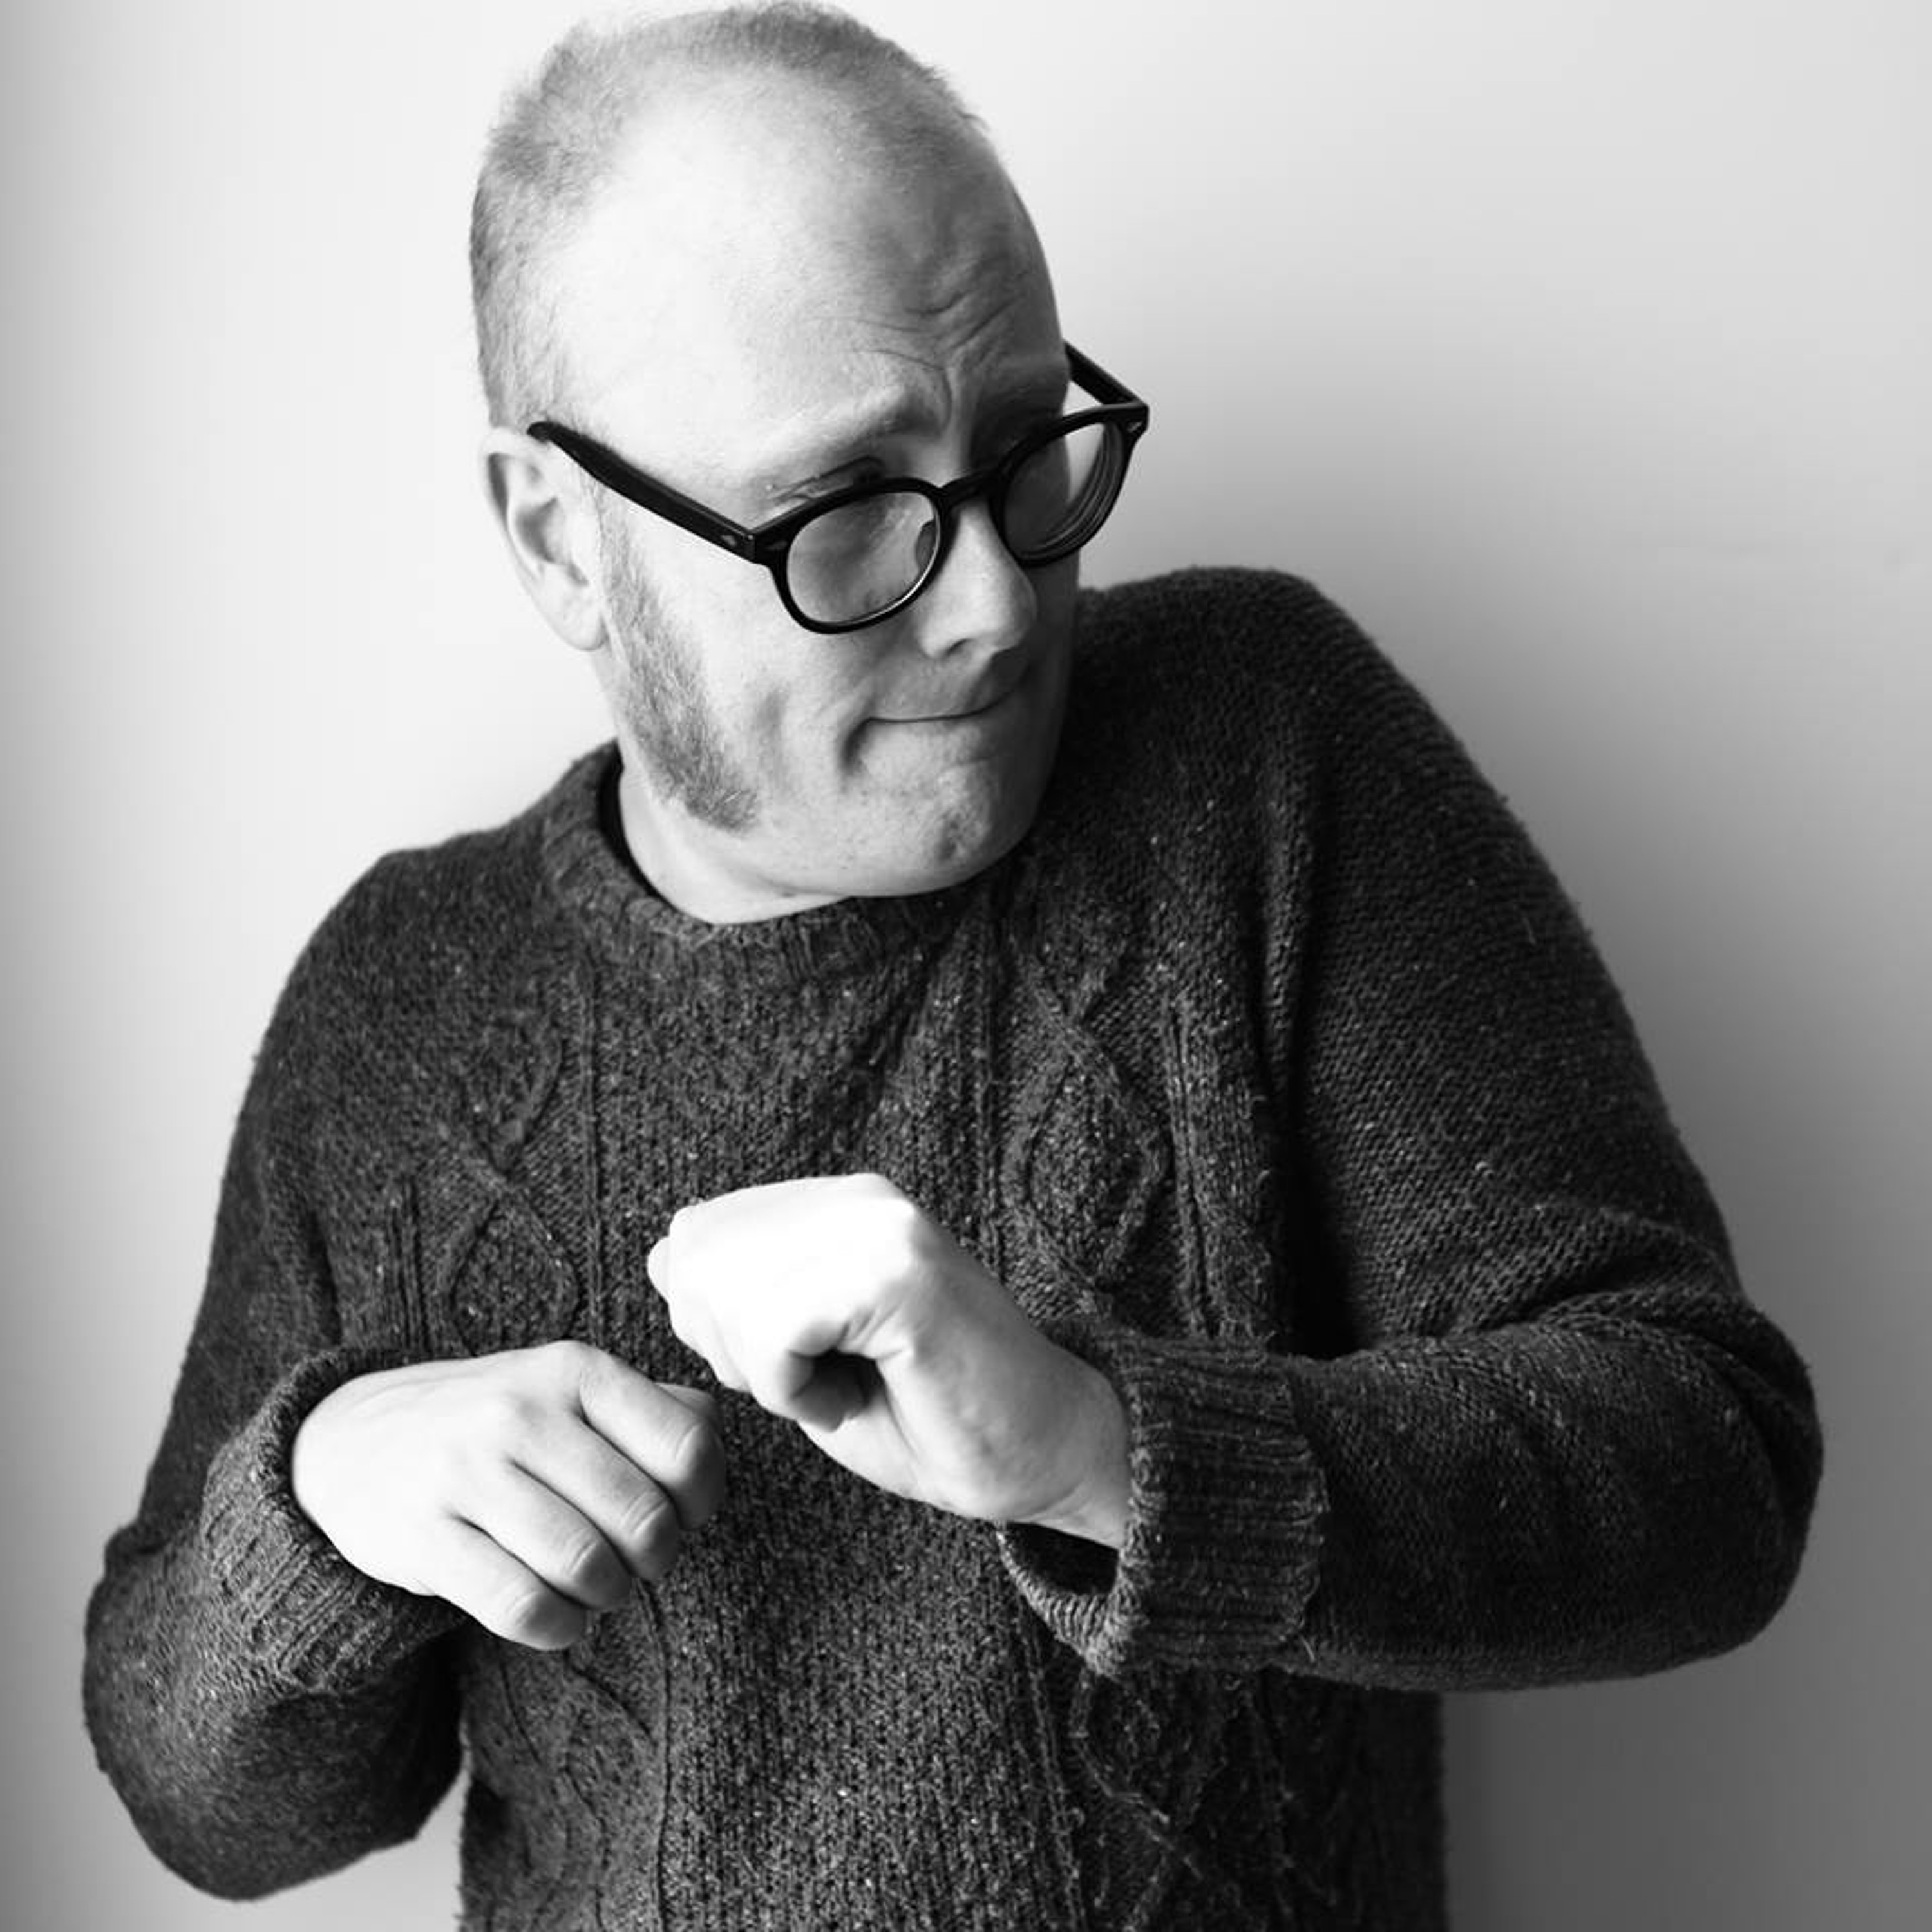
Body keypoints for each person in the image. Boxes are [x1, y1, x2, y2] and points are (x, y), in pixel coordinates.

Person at [82, 6, 1822, 1928]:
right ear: (562, 542)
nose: (998, 603)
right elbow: (213, 1815)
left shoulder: (1257, 755)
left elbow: (1706, 1468)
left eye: (1025, 449)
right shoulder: (402, 1005)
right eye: (851, 515)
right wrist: (319, 1499)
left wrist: (1097, 1452)